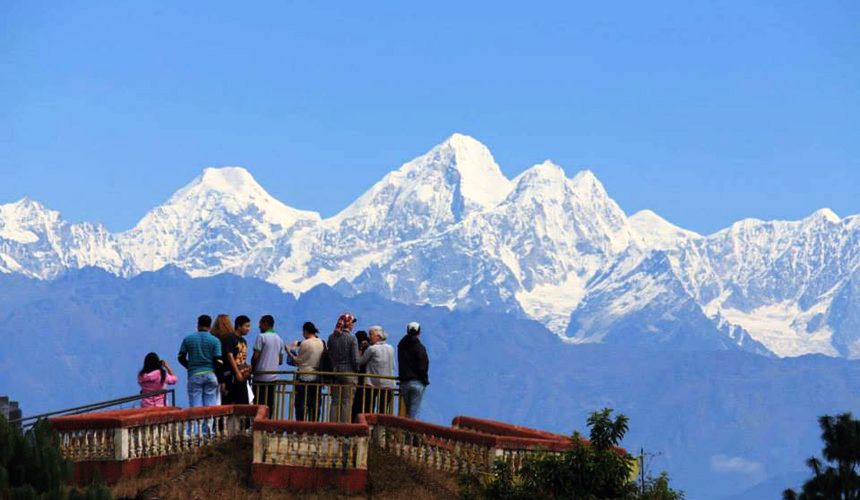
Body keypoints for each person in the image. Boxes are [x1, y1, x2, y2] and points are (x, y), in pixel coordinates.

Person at [178, 315, 224, 407]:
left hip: (194, 375)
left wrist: (190, 366)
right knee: (210, 407)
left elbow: (180, 357)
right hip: (211, 375)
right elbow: (218, 362)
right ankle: (209, 421)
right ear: (210, 326)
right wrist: (221, 380)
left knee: (196, 407)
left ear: (198, 325)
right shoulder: (215, 341)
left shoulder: (188, 339)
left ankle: (196, 421)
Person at [287, 321, 324, 421]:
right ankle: (314, 427)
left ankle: (301, 427)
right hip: (317, 378)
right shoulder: (321, 342)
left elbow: (298, 361)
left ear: (305, 331)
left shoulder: (305, 343)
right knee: (315, 405)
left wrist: (289, 351)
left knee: (301, 405)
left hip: (304, 378)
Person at [327, 313, 359, 423]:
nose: (352, 325)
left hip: (335, 373)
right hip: (349, 374)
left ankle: (332, 427)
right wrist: (357, 369)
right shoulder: (352, 338)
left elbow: (329, 354)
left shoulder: (331, 338)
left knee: (335, 401)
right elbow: (355, 359)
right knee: (346, 402)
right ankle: (344, 428)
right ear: (348, 324)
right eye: (351, 323)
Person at [251, 314, 284, 417]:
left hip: (260, 377)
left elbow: (255, 356)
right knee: (269, 404)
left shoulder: (261, 337)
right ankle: (267, 425)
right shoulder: (280, 340)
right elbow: (280, 361)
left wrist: (252, 367)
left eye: (260, 323)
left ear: (265, 324)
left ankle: (256, 426)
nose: (259, 326)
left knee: (258, 405)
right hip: (272, 378)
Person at [359, 325, 396, 414]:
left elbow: (361, 362)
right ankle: (381, 427)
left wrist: (361, 349)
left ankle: (369, 426)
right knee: (383, 410)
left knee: (369, 409)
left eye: (371, 334)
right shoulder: (390, 348)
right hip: (388, 383)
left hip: (372, 383)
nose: (369, 337)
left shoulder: (372, 349)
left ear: (378, 336)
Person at [397, 322, 429, 419]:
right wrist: (424, 380)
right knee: (414, 412)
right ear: (419, 333)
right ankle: (411, 433)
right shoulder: (420, 348)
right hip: (417, 382)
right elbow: (423, 365)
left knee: (408, 411)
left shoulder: (401, 346)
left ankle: (407, 432)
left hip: (404, 383)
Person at [220, 315, 251, 404]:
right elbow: (229, 355)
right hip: (232, 375)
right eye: (246, 326)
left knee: (243, 402)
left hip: (242, 375)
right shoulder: (230, 338)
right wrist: (237, 372)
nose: (248, 329)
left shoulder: (243, 341)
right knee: (230, 401)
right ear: (238, 326)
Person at [351, 330, 370, 422]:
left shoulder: (368, 350)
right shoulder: (369, 348)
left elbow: (358, 362)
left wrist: (361, 349)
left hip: (359, 381)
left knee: (357, 404)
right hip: (365, 382)